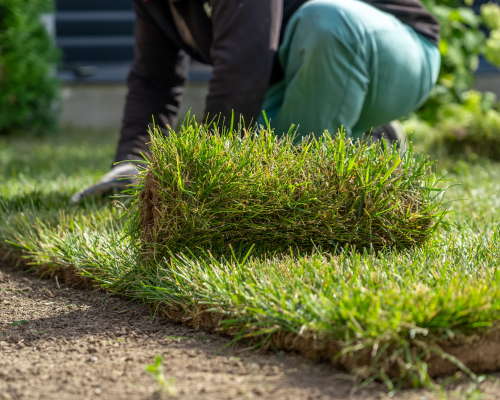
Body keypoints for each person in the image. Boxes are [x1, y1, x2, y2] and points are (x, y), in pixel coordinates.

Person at [70, 0, 440, 202]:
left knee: (326, 21)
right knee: (255, 156)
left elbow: (242, 66)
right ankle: (370, 142)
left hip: (394, 50)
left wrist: (205, 181)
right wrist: (132, 163)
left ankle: (309, 191)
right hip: (297, 80)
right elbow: (154, 78)